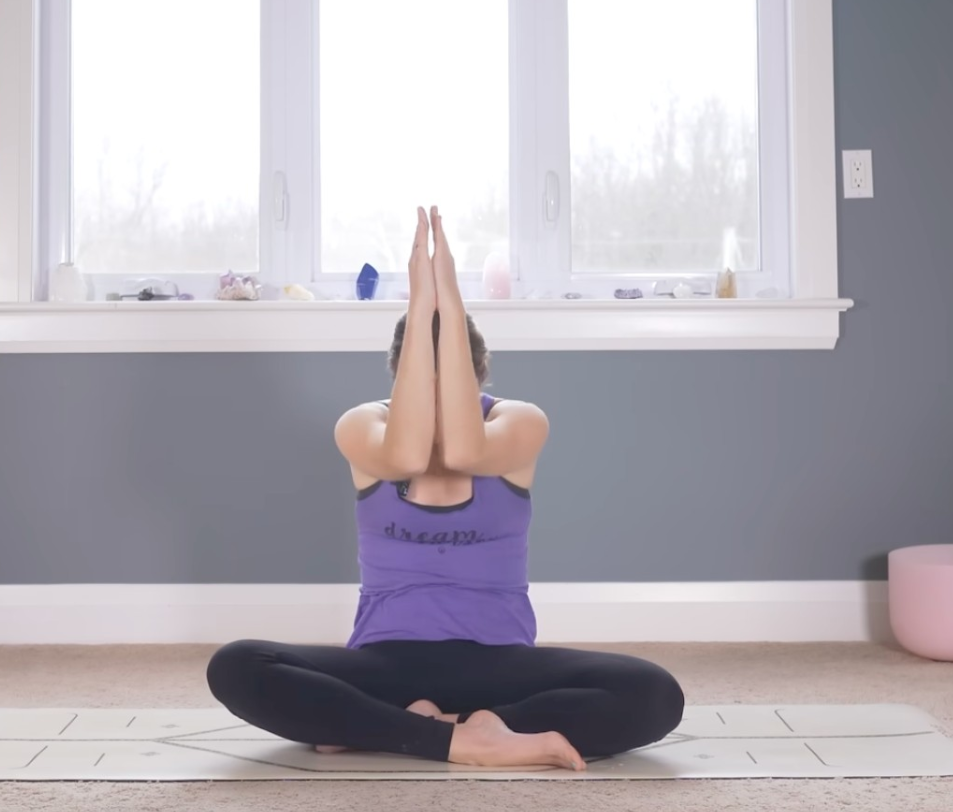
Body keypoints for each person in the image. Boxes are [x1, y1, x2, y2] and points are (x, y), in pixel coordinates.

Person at [207, 206, 685, 771]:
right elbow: (408, 457)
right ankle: (466, 738)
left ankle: (408, 727)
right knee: (235, 665)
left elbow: (464, 452)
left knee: (655, 693)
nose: (436, 389)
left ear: (477, 370)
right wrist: (420, 304)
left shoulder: (519, 422)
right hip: (383, 663)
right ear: (399, 372)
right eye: (422, 372)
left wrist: (449, 301)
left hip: (501, 663)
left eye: (449, 370)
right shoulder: (362, 425)